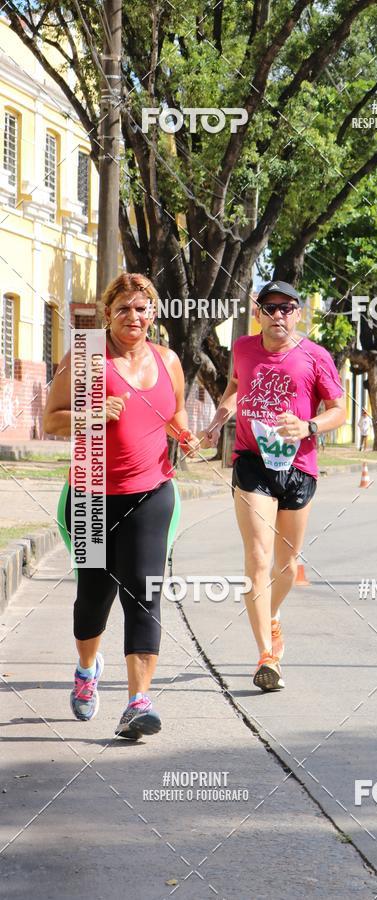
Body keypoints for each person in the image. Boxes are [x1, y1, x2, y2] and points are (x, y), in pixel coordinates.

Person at [43, 273, 201, 739]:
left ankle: (137, 702)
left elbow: (173, 415)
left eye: (142, 308)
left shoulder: (168, 360)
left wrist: (185, 437)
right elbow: (50, 419)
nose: (134, 316)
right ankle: (88, 670)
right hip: (92, 493)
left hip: (152, 491)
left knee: (144, 593)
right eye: (124, 308)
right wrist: (90, 414)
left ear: (153, 314)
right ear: (108, 313)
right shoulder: (88, 355)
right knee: (94, 597)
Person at [200, 280, 346, 691]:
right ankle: (266, 655)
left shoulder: (316, 356)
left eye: (287, 307)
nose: (278, 314)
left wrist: (308, 426)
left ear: (298, 313)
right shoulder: (244, 349)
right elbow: (234, 386)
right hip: (251, 464)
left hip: (299, 466)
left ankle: (272, 615)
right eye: (270, 307)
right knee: (258, 558)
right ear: (258, 312)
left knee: (286, 565)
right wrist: (220, 417)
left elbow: (339, 409)